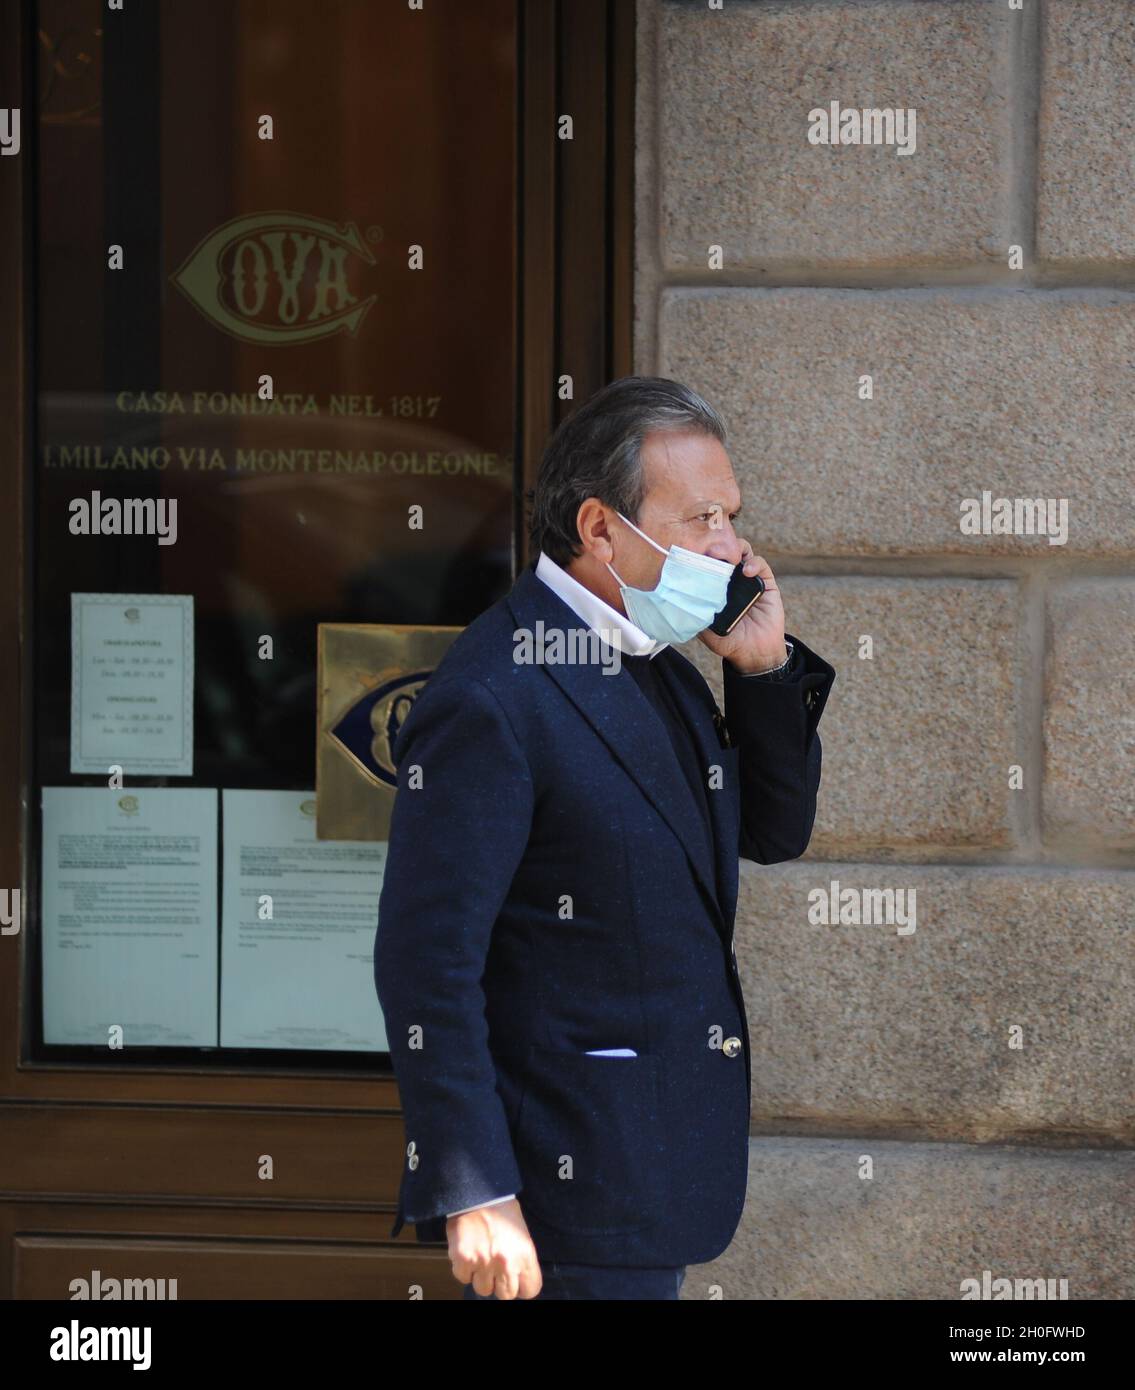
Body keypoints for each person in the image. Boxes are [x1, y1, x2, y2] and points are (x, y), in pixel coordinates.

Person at [374, 376, 835, 1300]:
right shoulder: (494, 692)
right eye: (701, 517)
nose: (731, 547)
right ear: (599, 530)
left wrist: (764, 667)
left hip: (645, 1172)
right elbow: (426, 960)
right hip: (559, 1189)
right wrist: (475, 1188)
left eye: (730, 516)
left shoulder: (652, 661)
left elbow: (774, 833)